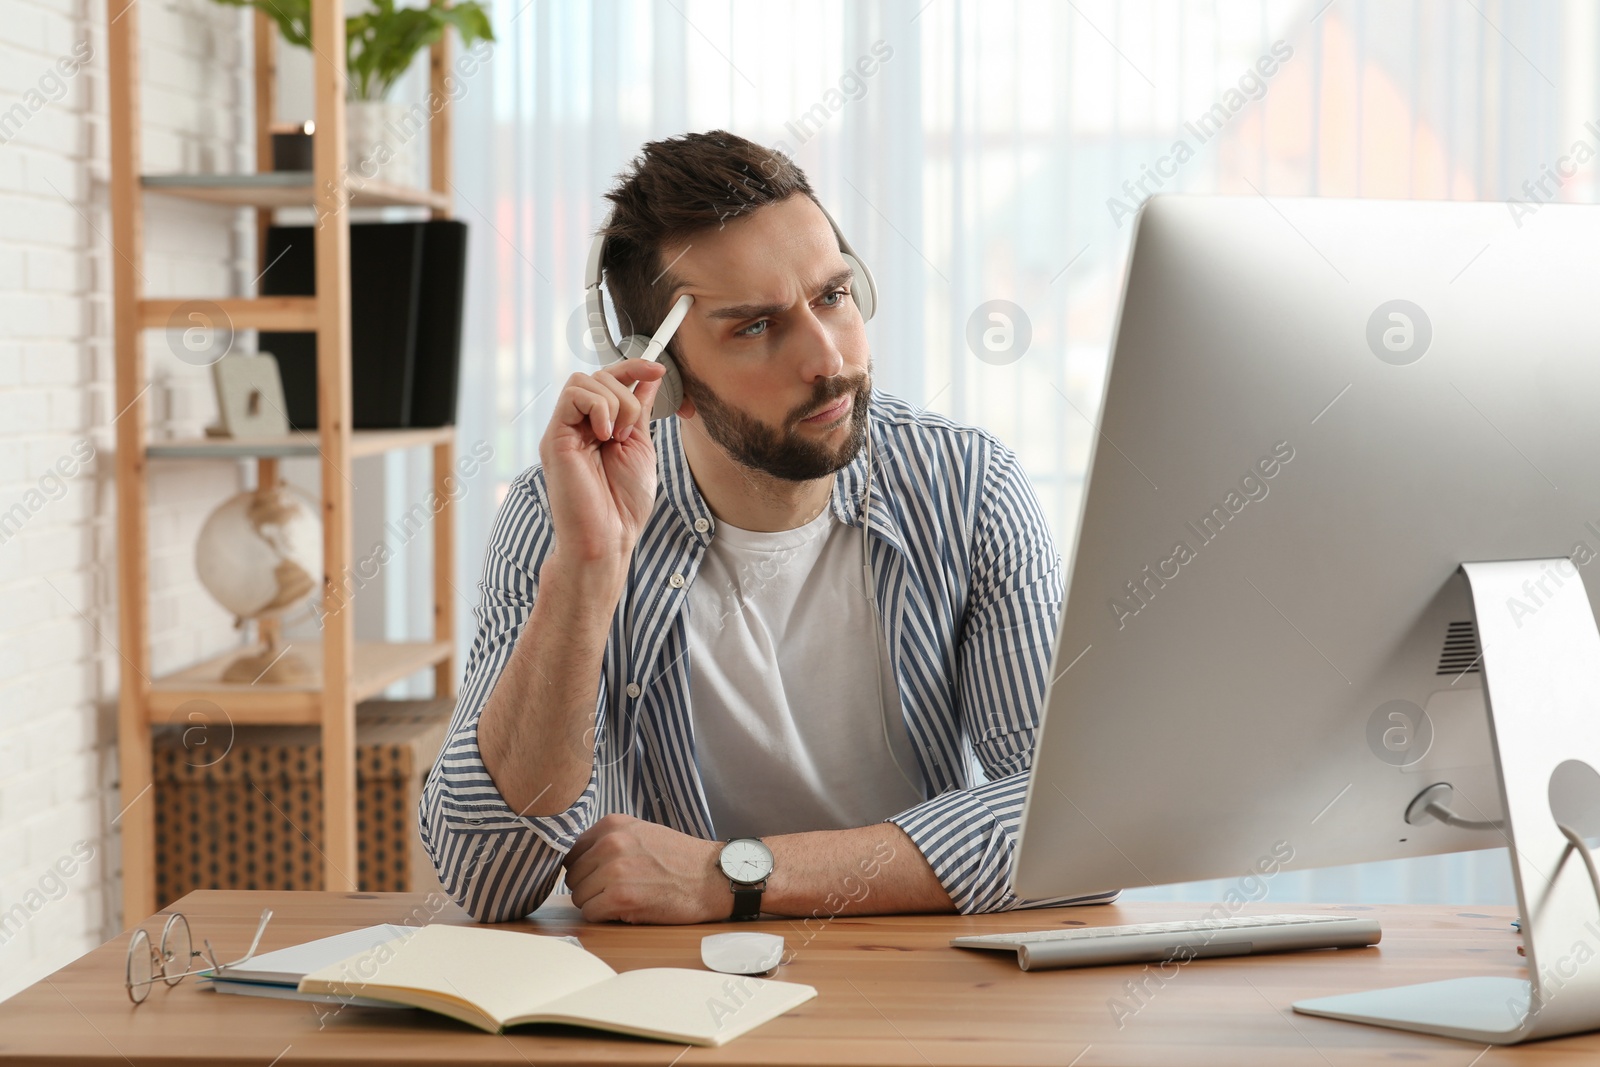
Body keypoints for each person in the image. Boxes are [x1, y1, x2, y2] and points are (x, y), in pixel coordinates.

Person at [420, 130, 1115, 924]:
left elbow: (1081, 823)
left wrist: (736, 875)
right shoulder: (565, 512)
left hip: (920, 985)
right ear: (665, 375)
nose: (827, 357)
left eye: (833, 295)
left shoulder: (966, 487)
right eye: (754, 326)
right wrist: (587, 569)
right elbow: (484, 877)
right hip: (670, 1003)